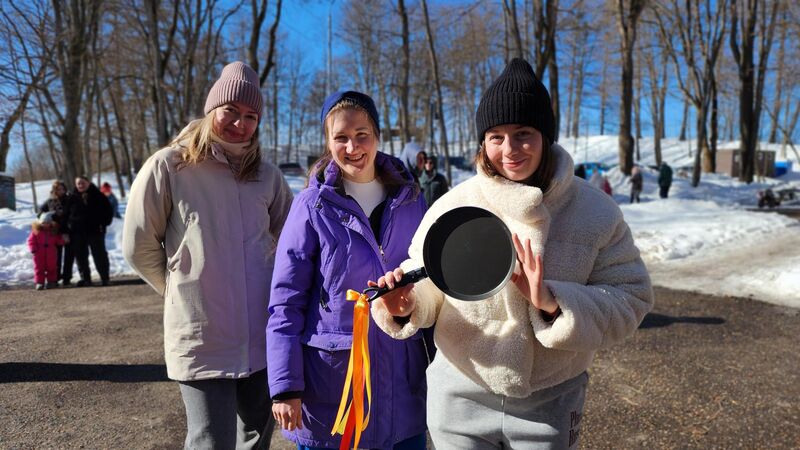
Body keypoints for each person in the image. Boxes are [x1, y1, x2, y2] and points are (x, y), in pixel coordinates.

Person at [370, 58, 654, 449]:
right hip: (460, 395)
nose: (509, 149)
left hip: (551, 401)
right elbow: (428, 280)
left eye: (523, 134)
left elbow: (631, 297)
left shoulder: (595, 211)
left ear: (545, 136)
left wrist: (552, 303)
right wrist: (405, 304)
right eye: (496, 136)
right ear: (482, 142)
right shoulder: (454, 206)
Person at [122, 61, 293, 450]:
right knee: (211, 442)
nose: (240, 123)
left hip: (262, 335)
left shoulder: (268, 176)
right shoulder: (170, 166)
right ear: (211, 108)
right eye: (230, 110)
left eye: (251, 116)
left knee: (256, 438)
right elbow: (138, 244)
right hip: (202, 335)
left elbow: (290, 242)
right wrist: (178, 289)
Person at [267, 90, 431, 450]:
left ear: (378, 136)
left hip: (402, 389)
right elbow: (286, 300)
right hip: (333, 390)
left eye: (362, 135)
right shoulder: (311, 206)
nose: (352, 147)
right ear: (328, 142)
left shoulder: (411, 199)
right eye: (340, 137)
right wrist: (286, 386)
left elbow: (430, 283)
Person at [63, 176, 113, 287]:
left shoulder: (99, 196)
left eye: (83, 183)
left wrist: (103, 223)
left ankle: (105, 278)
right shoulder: (71, 198)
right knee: (80, 256)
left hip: (95, 231)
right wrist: (66, 230)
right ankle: (86, 279)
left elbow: (108, 211)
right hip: (77, 232)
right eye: (78, 183)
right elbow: (65, 215)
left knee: (100, 255)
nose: (81, 185)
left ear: (88, 183)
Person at [40, 180, 73, 285]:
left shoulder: (70, 199)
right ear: (54, 190)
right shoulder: (50, 201)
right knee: (56, 257)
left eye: (62, 189)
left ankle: (67, 278)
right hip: (55, 232)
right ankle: (55, 277)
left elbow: (74, 213)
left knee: (69, 256)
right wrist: (49, 218)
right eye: (58, 189)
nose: (61, 191)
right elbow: (40, 213)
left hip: (68, 231)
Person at [27, 212, 65, 290]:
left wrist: (63, 240)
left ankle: (51, 282)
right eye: (43, 223)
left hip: (51, 253)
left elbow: (58, 241)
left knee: (52, 268)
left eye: (47, 223)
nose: (45, 225)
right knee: (39, 268)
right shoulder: (36, 231)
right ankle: (39, 283)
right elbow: (31, 241)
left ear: (50, 223)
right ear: (40, 223)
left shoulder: (53, 231)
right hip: (39, 253)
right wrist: (33, 249)